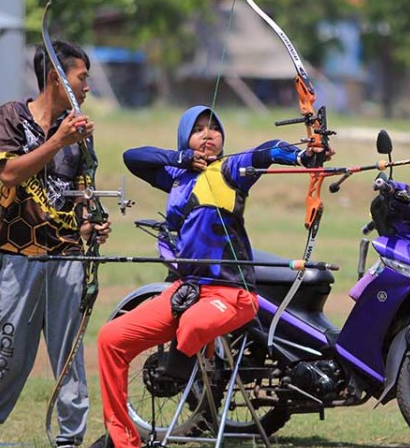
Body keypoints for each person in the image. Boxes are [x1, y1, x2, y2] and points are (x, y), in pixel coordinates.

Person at [94, 105, 332, 448]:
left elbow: (266, 151)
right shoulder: (174, 177)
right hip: (185, 291)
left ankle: (177, 364)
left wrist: (302, 155)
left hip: (232, 295)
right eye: (199, 129)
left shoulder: (232, 169)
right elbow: (134, 157)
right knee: (110, 339)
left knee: (192, 326)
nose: (208, 134)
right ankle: (122, 439)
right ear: (185, 139)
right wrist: (179, 157)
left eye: (214, 128)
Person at [0, 40, 111, 448]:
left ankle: (70, 438)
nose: (87, 87)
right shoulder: (10, 117)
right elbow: (8, 173)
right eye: (82, 78)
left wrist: (91, 226)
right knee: (9, 345)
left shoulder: (80, 135)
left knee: (70, 355)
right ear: (56, 79)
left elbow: (83, 200)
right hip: (18, 254)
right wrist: (58, 141)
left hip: (67, 258)